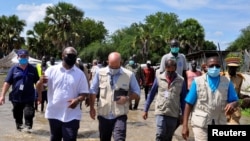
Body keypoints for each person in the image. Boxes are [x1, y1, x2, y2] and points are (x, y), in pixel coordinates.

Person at [36, 47, 91, 141]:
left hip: (72, 115)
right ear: (62, 56)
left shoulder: (80, 74)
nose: (72, 58)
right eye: (69, 55)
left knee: (70, 138)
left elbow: (84, 92)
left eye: (74, 56)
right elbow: (40, 88)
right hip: (54, 113)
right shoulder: (51, 70)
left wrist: (77, 100)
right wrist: (40, 82)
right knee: (55, 138)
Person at [182, 56, 239, 141]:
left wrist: (232, 104)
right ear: (206, 67)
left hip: (220, 121)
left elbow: (235, 100)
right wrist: (185, 125)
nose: (214, 68)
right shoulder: (197, 81)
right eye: (212, 66)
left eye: (217, 66)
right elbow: (189, 104)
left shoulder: (227, 82)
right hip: (201, 124)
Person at [89, 52, 141, 141]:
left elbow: (137, 92)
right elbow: (93, 91)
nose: (113, 69)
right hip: (103, 115)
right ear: (107, 62)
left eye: (116, 67)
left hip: (120, 115)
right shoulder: (100, 73)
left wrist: (127, 98)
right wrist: (91, 108)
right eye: (111, 66)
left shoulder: (129, 75)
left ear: (121, 63)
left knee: (119, 138)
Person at [142, 59, 187, 141]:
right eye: (168, 71)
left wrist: (183, 115)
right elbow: (151, 94)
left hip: (173, 113)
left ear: (175, 68)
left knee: (168, 137)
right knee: (160, 134)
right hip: (160, 111)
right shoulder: (159, 78)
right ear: (165, 68)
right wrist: (146, 109)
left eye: (172, 71)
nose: (170, 73)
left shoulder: (181, 81)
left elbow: (183, 100)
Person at [0, 49, 40, 132]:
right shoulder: (13, 69)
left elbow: (38, 83)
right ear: (18, 57)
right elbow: (7, 83)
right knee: (18, 117)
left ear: (28, 57)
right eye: (21, 56)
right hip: (16, 98)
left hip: (29, 97)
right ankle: (20, 132)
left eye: (25, 56)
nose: (23, 58)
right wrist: (2, 96)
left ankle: (28, 133)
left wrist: (39, 96)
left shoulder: (33, 69)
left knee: (28, 115)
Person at [224, 57, 244, 124]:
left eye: (234, 67)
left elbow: (238, 93)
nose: (233, 69)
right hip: (222, 109)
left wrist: (245, 97)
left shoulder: (239, 79)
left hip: (234, 109)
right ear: (227, 67)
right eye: (231, 67)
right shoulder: (221, 77)